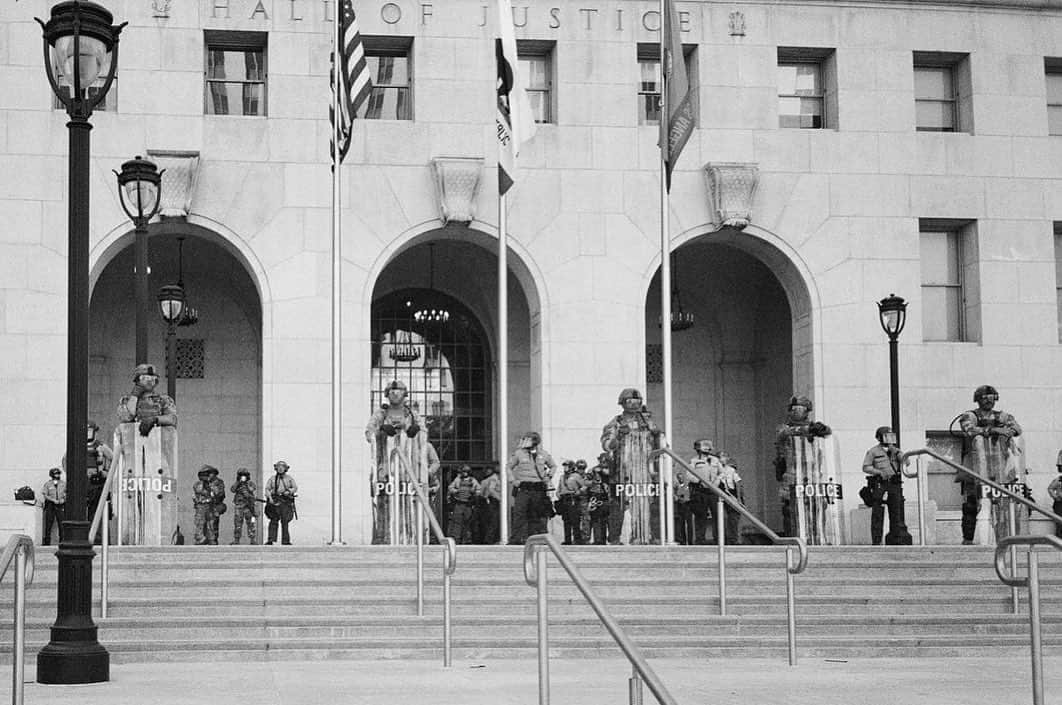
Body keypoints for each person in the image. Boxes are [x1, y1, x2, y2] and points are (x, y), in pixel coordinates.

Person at [956, 385, 1022, 545]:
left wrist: (1006, 432)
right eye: (984, 398)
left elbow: (1016, 428)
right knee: (971, 506)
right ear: (978, 399)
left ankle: (1004, 540)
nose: (988, 401)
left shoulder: (1003, 415)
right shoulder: (969, 415)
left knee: (1003, 507)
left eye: (991, 398)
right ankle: (968, 540)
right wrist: (994, 430)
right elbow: (969, 430)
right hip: (975, 469)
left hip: (1001, 469)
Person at [601, 388, 663, 545]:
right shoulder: (616, 423)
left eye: (637, 401)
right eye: (630, 401)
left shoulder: (648, 422)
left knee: (645, 505)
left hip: (645, 472)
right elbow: (607, 445)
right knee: (618, 506)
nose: (634, 405)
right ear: (622, 403)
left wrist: (657, 435)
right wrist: (619, 436)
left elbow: (661, 446)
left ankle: (642, 536)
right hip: (622, 471)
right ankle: (614, 538)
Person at [366, 380, 424, 544]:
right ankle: (383, 537)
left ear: (405, 394)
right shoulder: (381, 414)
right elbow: (368, 434)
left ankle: (409, 537)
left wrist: (416, 431)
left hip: (407, 470)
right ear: (387, 394)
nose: (395, 394)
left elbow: (424, 432)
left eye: (399, 391)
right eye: (392, 391)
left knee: (408, 503)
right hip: (385, 468)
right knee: (384, 503)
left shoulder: (412, 414)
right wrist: (381, 431)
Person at [774, 396, 833, 539]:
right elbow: (784, 434)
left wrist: (820, 429)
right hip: (792, 475)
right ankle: (792, 540)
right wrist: (807, 429)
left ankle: (817, 537)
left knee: (819, 506)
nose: (796, 412)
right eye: (794, 409)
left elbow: (827, 432)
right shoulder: (785, 428)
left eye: (800, 409)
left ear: (807, 411)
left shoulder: (813, 429)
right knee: (790, 509)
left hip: (812, 475)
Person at [861, 427, 908, 546]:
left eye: (891, 436)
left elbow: (907, 462)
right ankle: (876, 541)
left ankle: (896, 539)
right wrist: (878, 472)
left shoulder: (896, 451)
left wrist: (896, 452)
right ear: (879, 437)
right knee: (878, 511)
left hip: (894, 483)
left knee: (896, 512)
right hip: (880, 483)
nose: (889, 439)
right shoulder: (873, 451)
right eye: (886, 436)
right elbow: (866, 467)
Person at [507, 431, 556, 545]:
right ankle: (516, 538)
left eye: (527, 439)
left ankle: (537, 538)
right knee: (519, 513)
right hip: (523, 488)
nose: (524, 441)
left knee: (538, 514)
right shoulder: (519, 454)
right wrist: (513, 480)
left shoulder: (543, 454)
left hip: (538, 488)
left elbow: (553, 466)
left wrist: (548, 476)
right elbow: (509, 466)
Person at [116, 363, 177, 436]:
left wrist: (155, 419)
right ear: (137, 380)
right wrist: (135, 395)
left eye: (152, 378)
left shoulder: (164, 400)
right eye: (144, 378)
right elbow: (126, 417)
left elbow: (172, 419)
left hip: (157, 442)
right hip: (134, 443)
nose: (149, 381)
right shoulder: (126, 400)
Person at [687, 439, 720, 545]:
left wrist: (717, 482)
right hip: (700, 491)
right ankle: (700, 539)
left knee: (717, 515)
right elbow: (689, 475)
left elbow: (721, 473)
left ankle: (718, 539)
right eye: (704, 446)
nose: (707, 448)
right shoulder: (693, 461)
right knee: (701, 515)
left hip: (714, 491)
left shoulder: (715, 460)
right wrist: (698, 481)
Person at [85, 420, 113, 529]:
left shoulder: (100, 446)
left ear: (94, 432)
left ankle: (98, 538)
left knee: (98, 512)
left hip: (97, 483)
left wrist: (107, 472)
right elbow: (66, 461)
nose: (87, 433)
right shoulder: (77, 446)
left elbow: (114, 458)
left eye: (89, 430)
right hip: (83, 483)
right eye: (86, 430)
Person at [716, 451, 745, 545]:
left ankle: (734, 540)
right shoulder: (715, 470)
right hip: (720, 494)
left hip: (732, 494)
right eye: (719, 457)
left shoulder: (730, 469)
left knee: (734, 519)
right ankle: (724, 540)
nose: (721, 459)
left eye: (723, 457)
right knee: (722, 519)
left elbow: (738, 483)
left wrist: (739, 499)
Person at [265, 460, 298, 545]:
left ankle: (285, 540)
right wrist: (270, 498)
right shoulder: (272, 479)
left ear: (285, 469)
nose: (280, 469)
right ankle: (271, 539)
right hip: (274, 500)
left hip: (285, 501)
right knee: (273, 520)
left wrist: (289, 492)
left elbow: (294, 487)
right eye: (278, 467)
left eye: (282, 467)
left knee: (285, 521)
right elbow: (267, 489)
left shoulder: (289, 478)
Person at [557, 461, 588, 545]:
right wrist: (558, 494)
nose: (565, 468)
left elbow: (584, 485)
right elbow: (559, 488)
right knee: (566, 520)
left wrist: (579, 491)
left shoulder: (576, 476)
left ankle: (577, 539)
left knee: (575, 520)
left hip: (573, 499)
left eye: (566, 466)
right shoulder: (562, 477)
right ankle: (567, 540)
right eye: (564, 466)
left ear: (571, 467)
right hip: (564, 499)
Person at [447, 465, 480, 545]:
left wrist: (474, 493)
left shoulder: (473, 480)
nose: (465, 473)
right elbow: (450, 488)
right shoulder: (457, 479)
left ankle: (467, 540)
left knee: (468, 523)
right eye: (463, 472)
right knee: (457, 522)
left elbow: (479, 489)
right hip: (459, 503)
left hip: (468, 504)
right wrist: (456, 491)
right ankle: (456, 539)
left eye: (466, 472)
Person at [230, 468, 258, 545]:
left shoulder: (250, 483)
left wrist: (246, 486)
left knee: (251, 523)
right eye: (241, 475)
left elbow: (252, 489)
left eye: (244, 475)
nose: (243, 477)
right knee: (237, 523)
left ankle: (252, 539)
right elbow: (232, 489)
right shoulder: (237, 483)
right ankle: (236, 539)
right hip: (239, 506)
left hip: (249, 506)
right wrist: (238, 482)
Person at [586, 460, 612, 545]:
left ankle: (603, 540)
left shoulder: (611, 471)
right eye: (602, 460)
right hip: (595, 498)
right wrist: (593, 482)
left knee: (604, 520)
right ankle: (598, 540)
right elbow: (585, 482)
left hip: (605, 499)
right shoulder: (592, 470)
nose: (604, 462)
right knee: (596, 520)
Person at [192, 466, 219, 546]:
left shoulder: (212, 484)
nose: (205, 477)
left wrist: (211, 487)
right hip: (201, 505)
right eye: (204, 475)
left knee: (210, 524)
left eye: (207, 475)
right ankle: (200, 539)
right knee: (199, 523)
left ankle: (211, 539)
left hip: (210, 506)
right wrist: (205, 485)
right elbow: (198, 490)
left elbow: (216, 492)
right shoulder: (198, 484)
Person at [477, 464, 503, 544]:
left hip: (489, 502)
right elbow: (491, 490)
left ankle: (489, 539)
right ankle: (489, 540)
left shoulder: (490, 479)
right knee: (494, 521)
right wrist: (500, 498)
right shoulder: (494, 478)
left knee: (492, 521)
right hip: (493, 502)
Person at [39, 468, 66, 545]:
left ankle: (62, 541)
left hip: (60, 505)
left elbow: (66, 493)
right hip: (51, 505)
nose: (57, 475)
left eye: (58, 474)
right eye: (55, 474)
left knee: (61, 523)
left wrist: (63, 500)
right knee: (48, 523)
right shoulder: (48, 484)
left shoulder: (63, 483)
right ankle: (47, 541)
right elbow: (45, 494)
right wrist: (53, 500)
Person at [207, 466, 226, 543]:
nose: (209, 475)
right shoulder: (206, 482)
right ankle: (206, 539)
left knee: (213, 523)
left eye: (210, 473)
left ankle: (213, 539)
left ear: (214, 474)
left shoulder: (219, 482)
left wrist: (214, 491)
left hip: (215, 505)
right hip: (206, 505)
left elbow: (221, 494)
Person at [1048, 451, 1062, 540]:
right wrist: (1055, 497)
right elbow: (1050, 488)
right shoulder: (1059, 479)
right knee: (1060, 522)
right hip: (1060, 503)